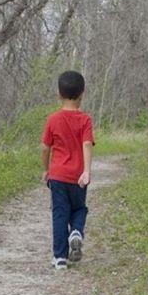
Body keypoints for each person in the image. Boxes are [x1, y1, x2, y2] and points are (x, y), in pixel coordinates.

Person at [41, 70, 94, 270]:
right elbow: (87, 144)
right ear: (83, 93)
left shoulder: (53, 119)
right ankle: (77, 232)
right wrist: (86, 171)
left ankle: (60, 257)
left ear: (58, 93)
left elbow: (45, 148)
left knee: (60, 213)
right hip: (78, 176)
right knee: (79, 208)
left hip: (57, 175)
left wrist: (46, 169)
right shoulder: (85, 120)